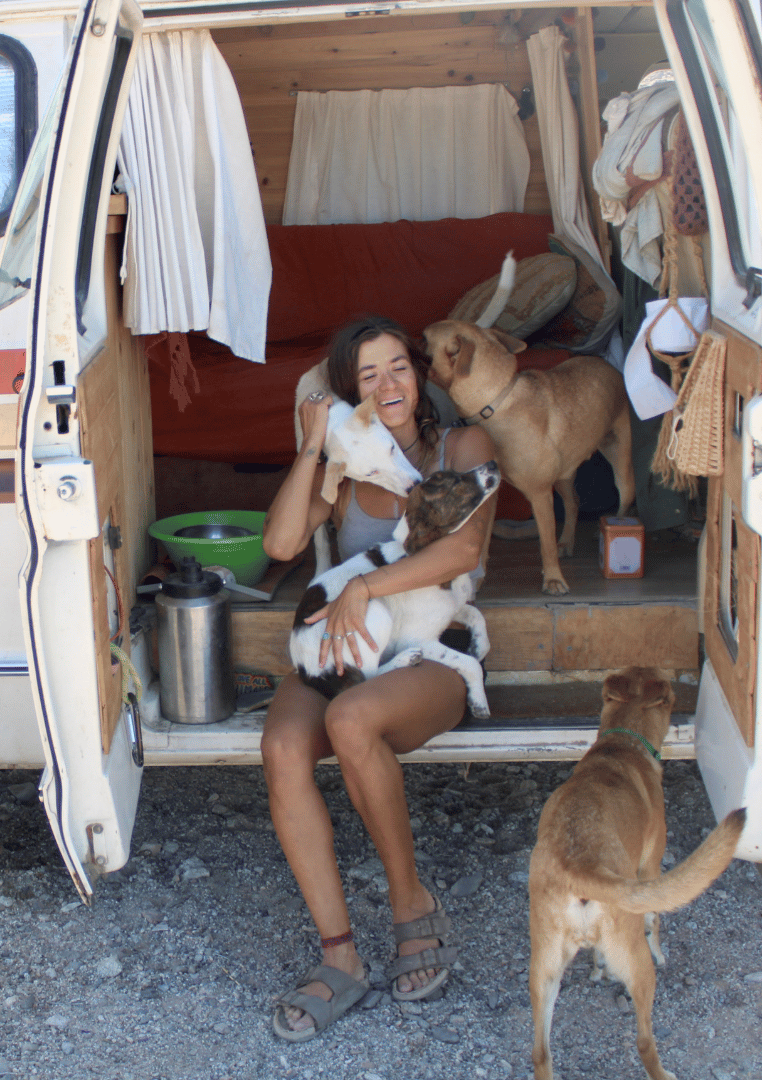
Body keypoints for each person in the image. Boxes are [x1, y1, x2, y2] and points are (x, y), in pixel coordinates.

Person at [260, 315, 497, 1041]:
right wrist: (311, 445)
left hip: (431, 649)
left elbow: (463, 551)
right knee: (282, 748)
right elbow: (281, 543)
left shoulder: (462, 446)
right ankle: (341, 956)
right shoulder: (344, 463)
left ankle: (410, 907)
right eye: (368, 376)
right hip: (349, 646)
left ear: (418, 374)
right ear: (349, 394)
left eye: (398, 366)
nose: (388, 383)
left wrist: (369, 586)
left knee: (352, 720)